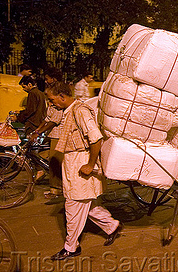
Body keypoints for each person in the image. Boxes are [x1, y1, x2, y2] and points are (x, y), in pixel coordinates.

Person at [46, 82, 122, 261]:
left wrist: (89, 164)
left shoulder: (80, 111)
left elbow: (96, 139)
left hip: (80, 162)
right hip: (73, 161)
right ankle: (112, 226)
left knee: (72, 206)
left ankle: (71, 247)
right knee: (86, 205)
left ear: (62, 96)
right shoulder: (69, 111)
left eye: (52, 100)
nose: (51, 104)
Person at [29, 67, 64, 198]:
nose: (46, 80)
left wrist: (38, 132)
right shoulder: (51, 92)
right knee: (47, 157)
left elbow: (54, 119)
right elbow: (48, 117)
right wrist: (38, 129)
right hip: (53, 133)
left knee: (54, 161)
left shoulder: (59, 91)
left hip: (59, 133)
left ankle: (56, 190)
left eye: (47, 78)